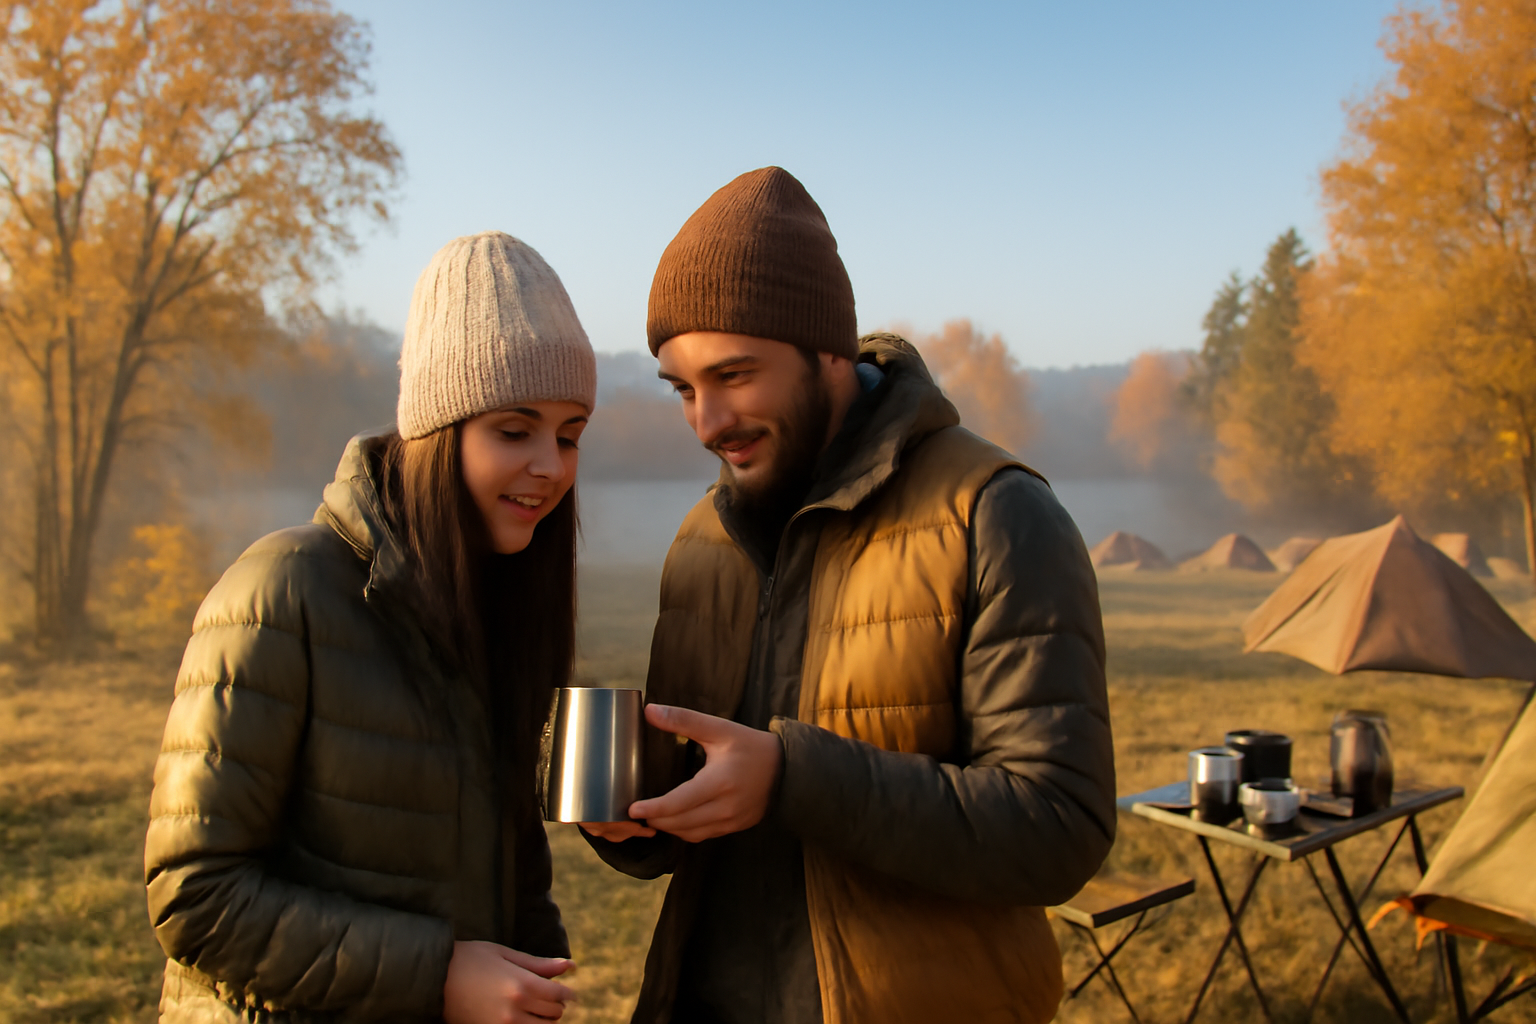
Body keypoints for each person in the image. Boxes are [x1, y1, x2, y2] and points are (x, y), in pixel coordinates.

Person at [582, 167, 1117, 1024]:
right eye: (683, 389)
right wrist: (637, 819)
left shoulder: (995, 513)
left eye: (734, 375)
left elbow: (1058, 829)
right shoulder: (701, 540)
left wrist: (794, 778)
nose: (707, 423)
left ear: (829, 350)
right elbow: (700, 805)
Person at [144, 232, 595, 1024]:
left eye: (569, 435)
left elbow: (513, 878)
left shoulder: (497, 608)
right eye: (514, 430)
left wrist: (533, 972)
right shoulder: (283, 589)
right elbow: (196, 896)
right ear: (437, 431)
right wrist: (438, 976)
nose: (551, 466)